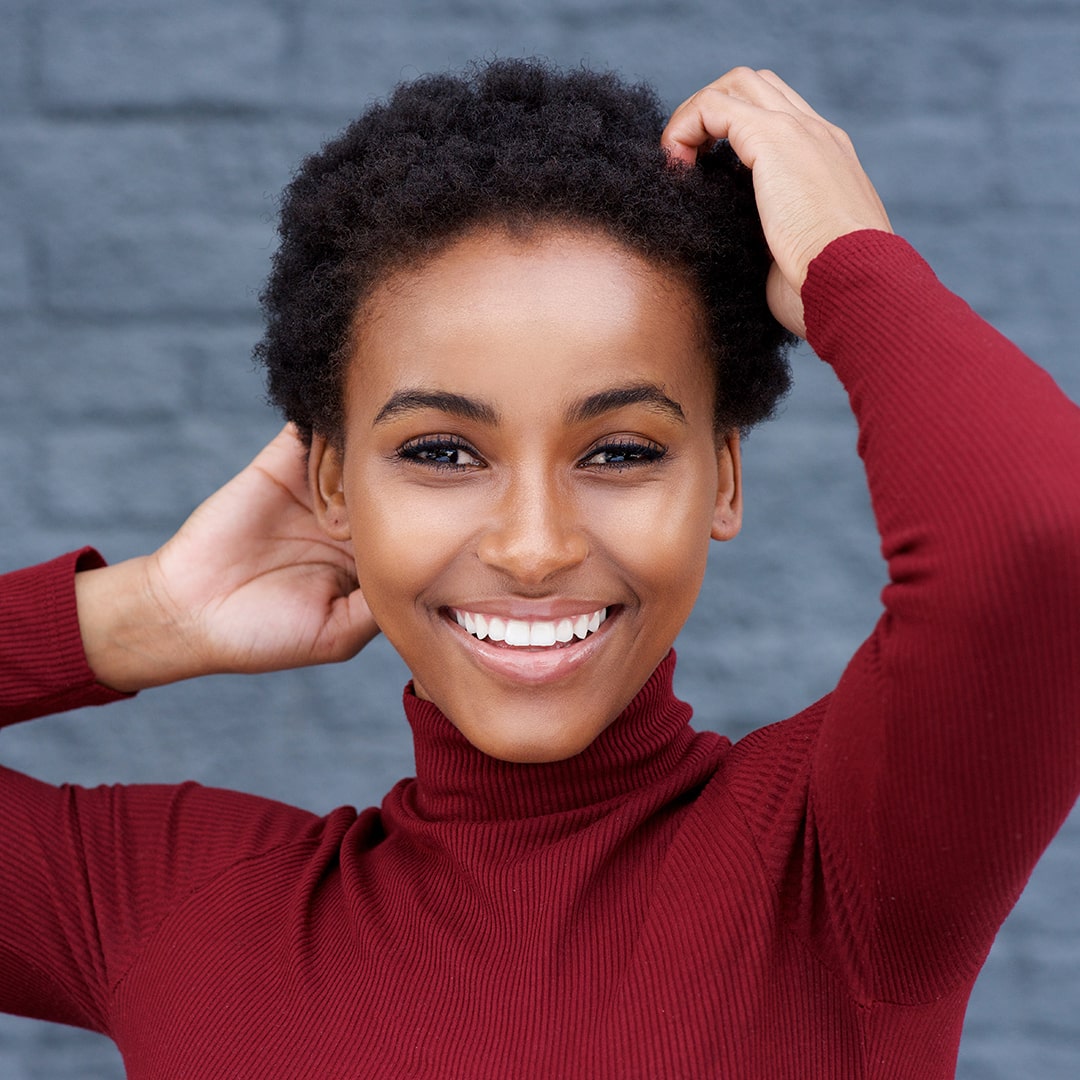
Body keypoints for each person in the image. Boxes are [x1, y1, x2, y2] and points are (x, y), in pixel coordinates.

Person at [1, 60, 1078, 1079]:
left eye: (620, 452)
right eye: (440, 452)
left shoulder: (844, 871)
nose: (533, 546)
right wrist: (142, 614)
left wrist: (849, 256)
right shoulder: (174, 907)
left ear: (723, 480)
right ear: (332, 486)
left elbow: (1038, 531)